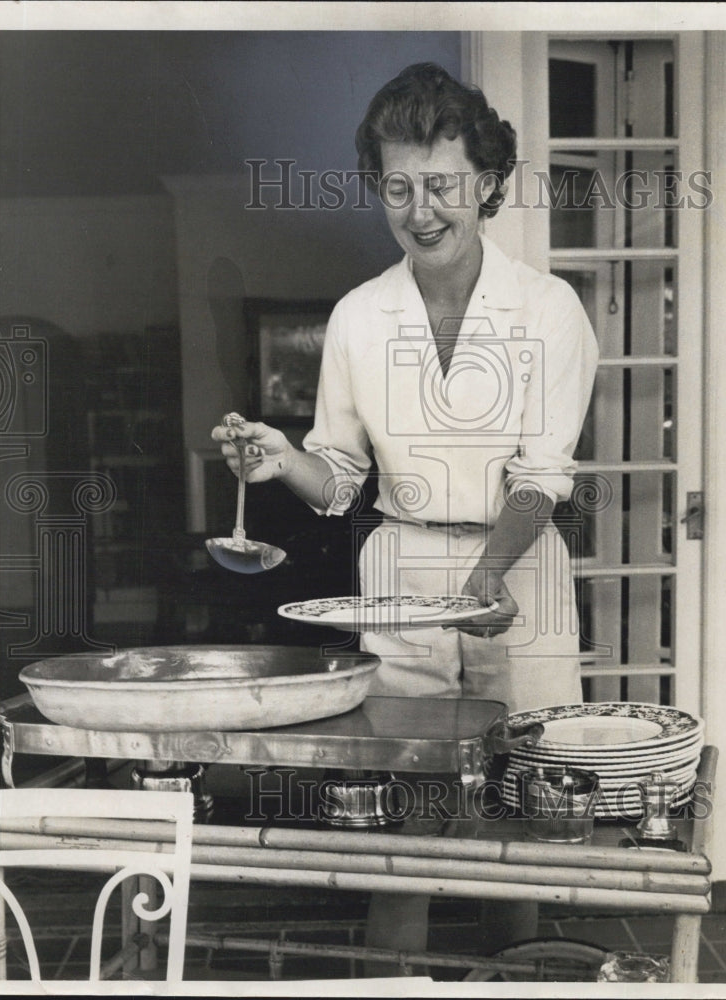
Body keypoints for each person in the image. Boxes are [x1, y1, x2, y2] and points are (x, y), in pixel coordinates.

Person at [213, 62, 599, 973]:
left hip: (520, 569)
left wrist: (491, 571)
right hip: (399, 580)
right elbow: (340, 481)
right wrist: (281, 461)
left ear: (489, 184)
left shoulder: (549, 310)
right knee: (402, 823)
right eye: (398, 187)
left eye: (443, 185)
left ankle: (516, 979)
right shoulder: (358, 317)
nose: (421, 210)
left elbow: (543, 477)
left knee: (519, 819)